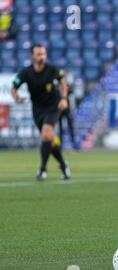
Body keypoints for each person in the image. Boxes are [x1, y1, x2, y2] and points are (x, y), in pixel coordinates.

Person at [11, 43, 71, 180]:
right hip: (37, 109)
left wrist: (63, 98)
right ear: (31, 56)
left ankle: (42, 169)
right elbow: (14, 87)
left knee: (45, 134)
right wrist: (17, 97)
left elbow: (63, 82)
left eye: (43, 54)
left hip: (53, 106)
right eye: (38, 54)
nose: (41, 57)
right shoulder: (26, 72)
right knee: (49, 138)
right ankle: (63, 165)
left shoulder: (52, 69)